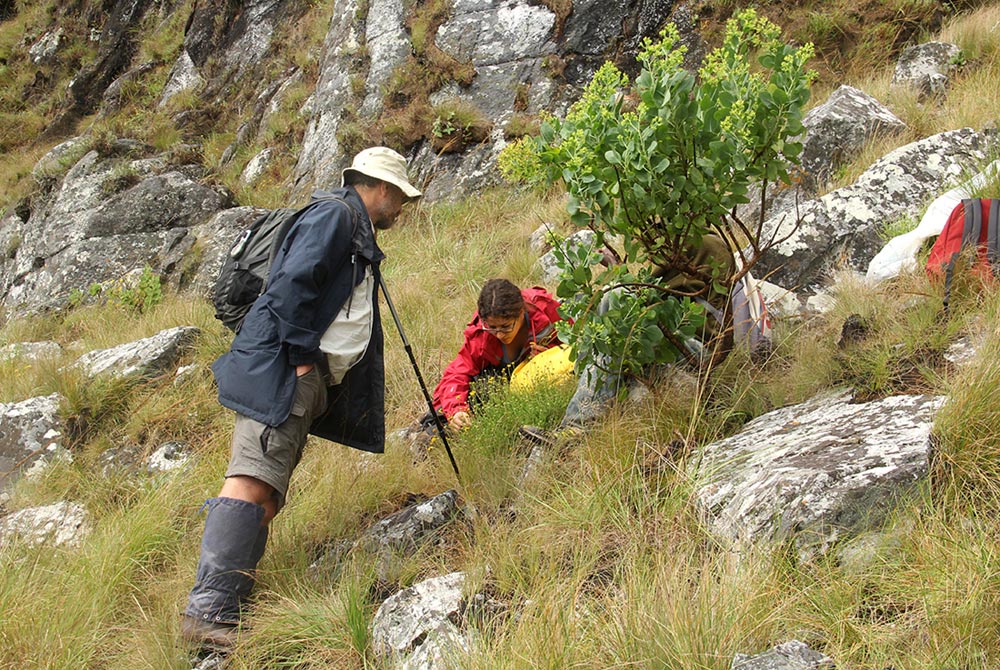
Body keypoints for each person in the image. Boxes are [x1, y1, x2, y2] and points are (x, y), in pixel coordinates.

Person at [180, 147, 421, 651]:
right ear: (379, 186)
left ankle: (229, 604)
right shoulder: (336, 214)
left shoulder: (350, 223)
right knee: (249, 481)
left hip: (296, 377)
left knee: (267, 492)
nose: (401, 208)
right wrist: (303, 357)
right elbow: (292, 285)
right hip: (285, 372)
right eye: (399, 196)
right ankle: (208, 613)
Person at [520, 233, 740, 449]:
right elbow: (655, 296)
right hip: (678, 340)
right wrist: (617, 272)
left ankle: (579, 425)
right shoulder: (679, 246)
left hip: (700, 348)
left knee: (615, 299)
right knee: (609, 303)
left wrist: (620, 284)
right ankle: (579, 421)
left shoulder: (705, 245)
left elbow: (679, 310)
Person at [429, 279, 563, 431]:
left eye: (506, 327)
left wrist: (552, 353)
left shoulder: (545, 310)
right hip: (506, 388)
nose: (498, 334)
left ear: (521, 313)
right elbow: (457, 373)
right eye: (492, 327)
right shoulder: (481, 336)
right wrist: (456, 410)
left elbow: (576, 340)